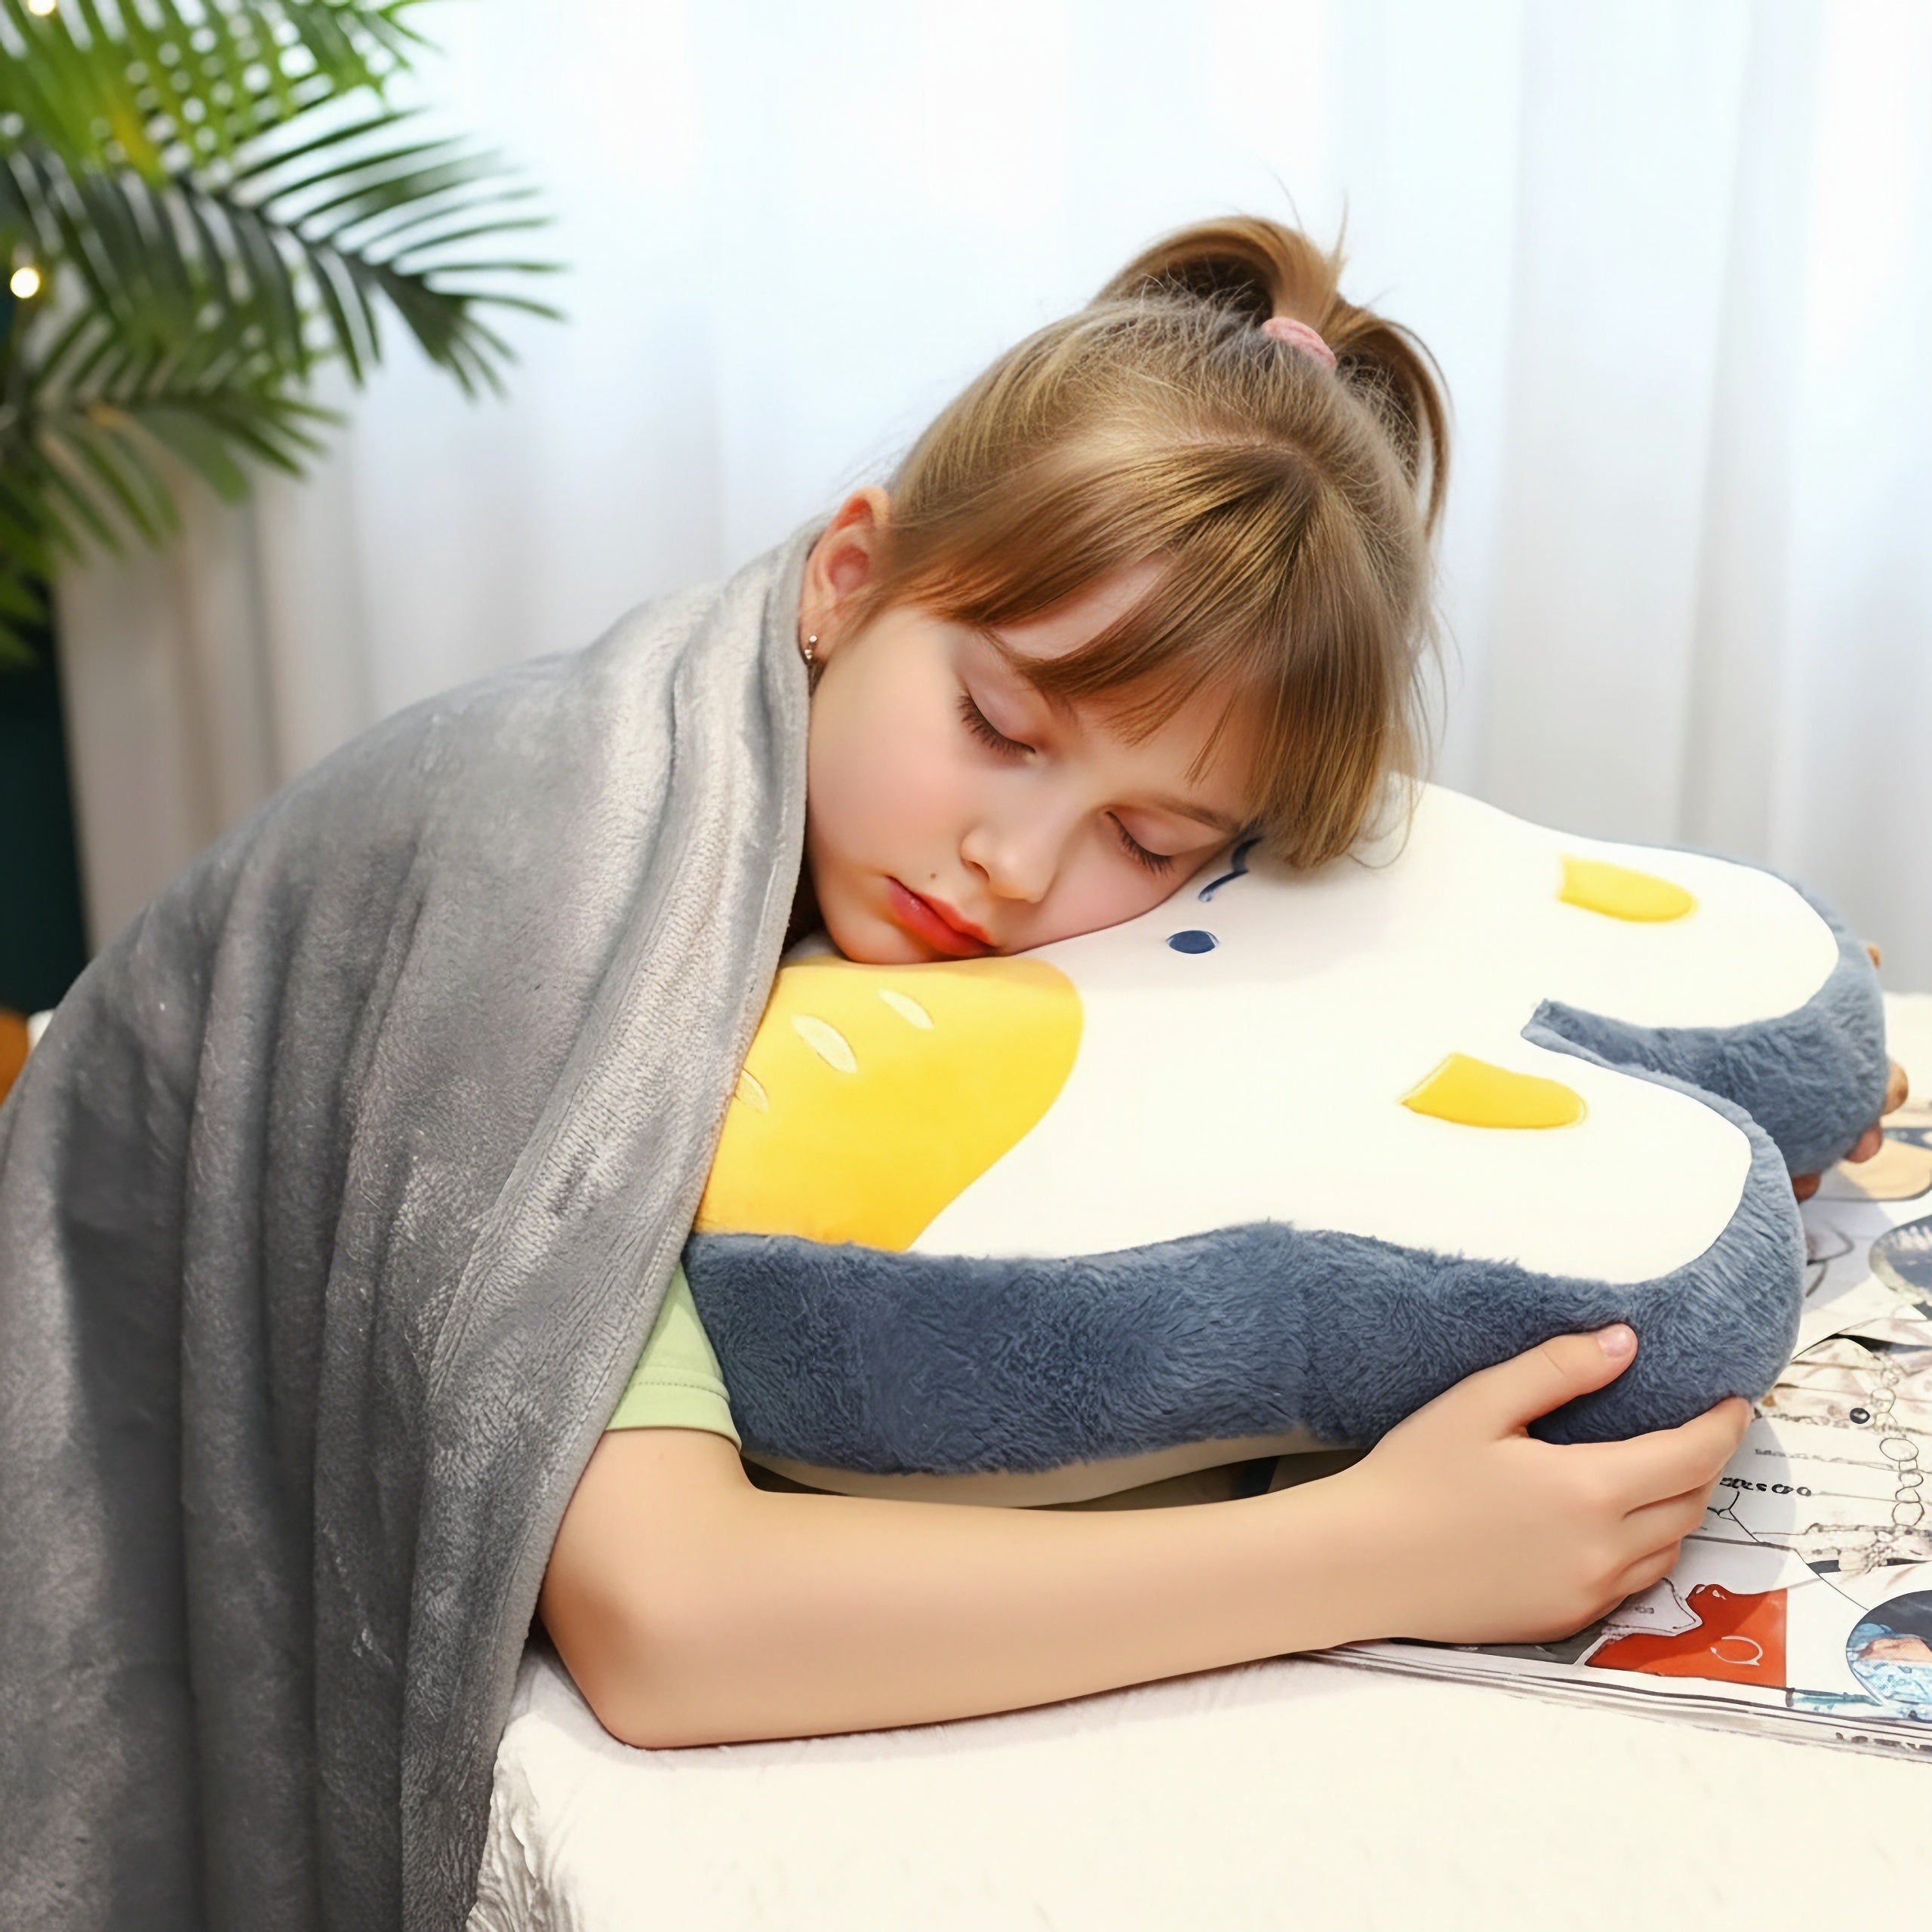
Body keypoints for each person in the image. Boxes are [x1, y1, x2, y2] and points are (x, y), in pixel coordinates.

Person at [537, 214, 1906, 1752]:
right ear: (846, 576)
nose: (1011, 862)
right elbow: (669, 1621)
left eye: (1145, 831)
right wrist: (1372, 1552)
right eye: (993, 721)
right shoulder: (572, 933)